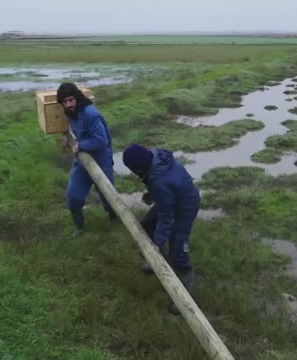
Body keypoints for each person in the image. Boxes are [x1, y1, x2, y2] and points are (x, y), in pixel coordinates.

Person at [122, 144, 201, 315]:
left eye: (133, 170)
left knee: (178, 251)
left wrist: (157, 244)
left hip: (185, 206)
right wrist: (153, 195)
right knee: (147, 226)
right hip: (172, 197)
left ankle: (186, 299)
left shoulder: (160, 183)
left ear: (137, 168)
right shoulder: (155, 156)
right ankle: (158, 263)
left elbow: (166, 217)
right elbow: (163, 180)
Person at [57, 82, 118, 236]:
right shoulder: (70, 112)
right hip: (83, 161)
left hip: (100, 158)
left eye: (71, 100)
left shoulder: (91, 114)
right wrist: (65, 135)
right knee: (73, 197)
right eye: (64, 102)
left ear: (76, 98)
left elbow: (101, 140)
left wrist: (80, 146)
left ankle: (115, 220)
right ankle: (79, 228)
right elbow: (69, 126)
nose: (68, 104)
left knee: (108, 196)